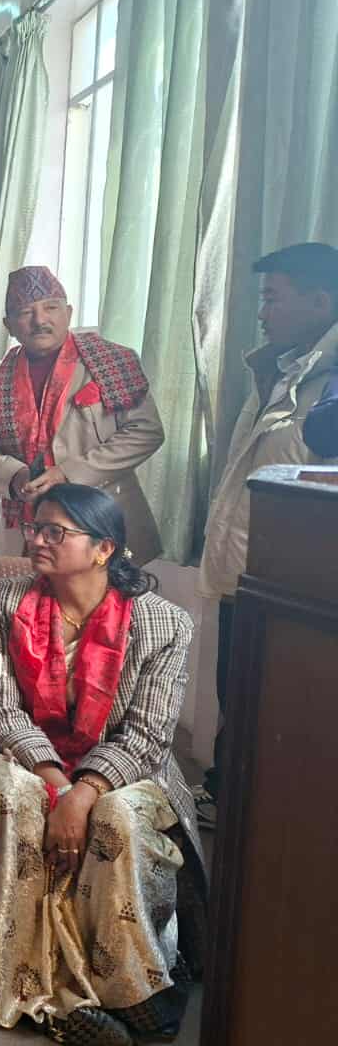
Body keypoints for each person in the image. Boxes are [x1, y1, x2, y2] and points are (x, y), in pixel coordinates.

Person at [0, 483, 201, 1044]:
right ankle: (31, 989)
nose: (36, 540)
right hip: (25, 755)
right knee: (13, 799)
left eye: (56, 532)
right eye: (35, 527)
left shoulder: (165, 623)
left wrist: (85, 791)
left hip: (127, 766)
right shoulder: (6, 601)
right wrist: (56, 783)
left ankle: (129, 986)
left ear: (104, 549)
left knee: (116, 816)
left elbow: (148, 732)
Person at [198, 241, 338, 817]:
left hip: (295, 581)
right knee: (239, 694)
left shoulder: (328, 385)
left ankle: (249, 818)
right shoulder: (281, 370)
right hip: (248, 567)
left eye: (272, 299)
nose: (261, 313)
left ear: (320, 301)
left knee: (276, 708)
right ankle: (227, 799)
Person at [0, 265, 164, 562]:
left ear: (68, 313)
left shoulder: (111, 361)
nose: (40, 320)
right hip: (27, 525)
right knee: (26, 591)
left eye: (51, 308)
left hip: (102, 519)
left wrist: (69, 473)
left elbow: (146, 431)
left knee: (108, 593)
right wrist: (14, 475)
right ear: (9, 325)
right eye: (26, 312)